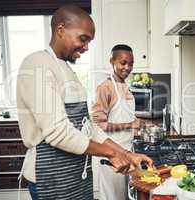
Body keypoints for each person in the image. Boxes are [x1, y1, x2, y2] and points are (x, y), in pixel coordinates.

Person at [16, 5, 153, 200]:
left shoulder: (66, 70)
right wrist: (111, 154)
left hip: (77, 175)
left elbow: (89, 128)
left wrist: (126, 154)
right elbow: (59, 132)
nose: (87, 47)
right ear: (60, 29)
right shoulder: (37, 64)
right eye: (83, 39)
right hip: (52, 177)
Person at [92, 44, 142, 200]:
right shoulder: (105, 88)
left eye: (131, 63)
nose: (127, 67)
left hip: (127, 152)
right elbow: (98, 125)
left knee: (124, 197)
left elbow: (122, 116)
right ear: (111, 61)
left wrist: (136, 125)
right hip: (110, 157)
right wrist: (129, 125)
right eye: (123, 63)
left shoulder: (124, 85)